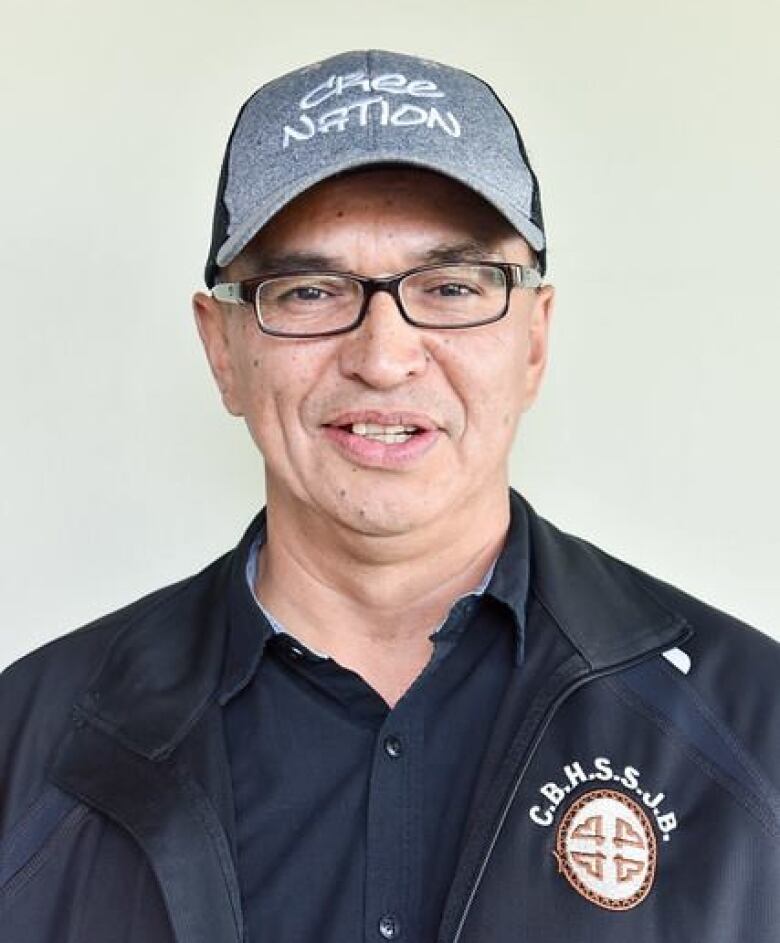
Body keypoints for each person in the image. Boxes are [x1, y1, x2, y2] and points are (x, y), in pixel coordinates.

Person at [1, 49, 778, 943]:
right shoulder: (31, 749)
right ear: (223, 350)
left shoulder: (756, 731)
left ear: (534, 341)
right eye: (309, 290)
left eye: (451, 288)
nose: (382, 356)